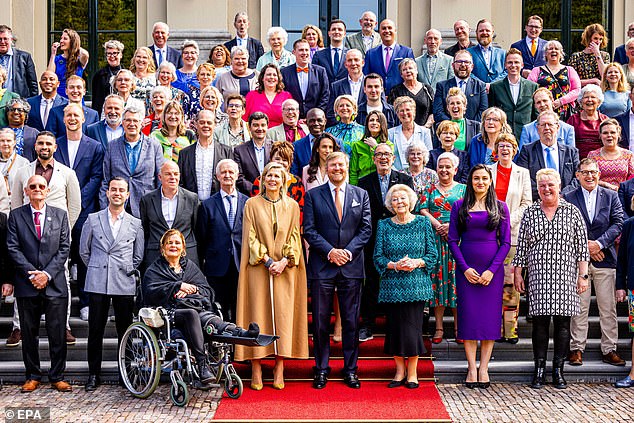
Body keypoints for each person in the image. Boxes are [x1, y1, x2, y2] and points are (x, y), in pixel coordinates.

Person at [143, 228, 260, 387]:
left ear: (183, 248)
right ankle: (202, 365)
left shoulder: (189, 267)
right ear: (162, 247)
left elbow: (207, 291)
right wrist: (177, 287)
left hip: (195, 308)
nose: (173, 246)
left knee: (213, 321)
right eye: (169, 243)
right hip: (170, 313)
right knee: (191, 314)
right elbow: (150, 292)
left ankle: (244, 333)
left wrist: (193, 290)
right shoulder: (155, 269)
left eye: (177, 243)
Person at [513, 168, 590, 390]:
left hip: (566, 275)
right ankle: (538, 370)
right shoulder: (530, 212)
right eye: (542, 185)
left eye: (550, 185)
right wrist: (518, 272)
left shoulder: (572, 212)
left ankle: (558, 370)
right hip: (538, 276)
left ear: (559, 186)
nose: (546, 189)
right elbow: (523, 246)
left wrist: (583, 276)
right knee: (539, 324)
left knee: (563, 324)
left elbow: (581, 248)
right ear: (537, 188)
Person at [235, 161, 307, 390]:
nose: (273, 179)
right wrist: (267, 261)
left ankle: (279, 367)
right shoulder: (252, 204)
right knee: (257, 315)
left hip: (286, 269)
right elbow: (250, 237)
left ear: (284, 180)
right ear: (263, 180)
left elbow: (295, 236)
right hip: (258, 267)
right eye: (269, 175)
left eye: (277, 176)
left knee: (284, 318)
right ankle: (256, 366)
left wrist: (285, 261)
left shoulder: (292, 206)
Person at [304, 151, 372, 389]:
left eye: (341, 165)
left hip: (351, 267)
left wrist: (348, 252)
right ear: (327, 167)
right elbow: (309, 230)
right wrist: (331, 252)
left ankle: (351, 370)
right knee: (321, 322)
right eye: (333, 165)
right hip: (322, 266)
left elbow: (365, 229)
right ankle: (321, 369)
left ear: (347, 166)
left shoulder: (360, 195)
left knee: (351, 322)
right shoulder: (313, 195)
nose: (337, 169)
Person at [6, 175, 72, 392]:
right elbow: (12, 247)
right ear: (26, 190)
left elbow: (64, 248)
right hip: (27, 284)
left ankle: (57, 376)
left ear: (47, 190)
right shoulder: (16, 216)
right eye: (32, 186)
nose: (37, 189)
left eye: (41, 186)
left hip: (54, 284)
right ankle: (32, 375)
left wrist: (47, 274)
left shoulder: (60, 215)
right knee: (28, 333)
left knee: (57, 333)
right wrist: (32, 274)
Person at [448, 164, 511, 388]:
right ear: (470, 181)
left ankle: (483, 368)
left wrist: (491, 271)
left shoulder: (501, 207)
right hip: (467, 269)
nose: (480, 182)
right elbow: (453, 240)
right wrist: (464, 268)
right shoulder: (459, 206)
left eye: (484, 178)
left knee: (488, 321)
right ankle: (471, 367)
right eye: (476, 179)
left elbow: (505, 243)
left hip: (491, 271)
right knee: (469, 319)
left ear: (490, 181)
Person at [80, 177, 144, 392]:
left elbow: (138, 256)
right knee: (95, 331)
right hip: (97, 281)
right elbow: (84, 251)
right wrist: (99, 267)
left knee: (124, 331)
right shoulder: (93, 219)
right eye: (113, 189)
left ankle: (124, 373)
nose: (117, 193)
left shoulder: (135, 223)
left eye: (121, 190)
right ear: (107, 193)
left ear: (127, 195)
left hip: (123, 281)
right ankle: (93, 374)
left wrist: (122, 268)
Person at [562, 158, 625, 368]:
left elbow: (618, 223)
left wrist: (599, 244)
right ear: (577, 175)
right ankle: (576, 349)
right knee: (579, 306)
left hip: (605, 259)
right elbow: (566, 226)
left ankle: (609, 349)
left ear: (599, 174)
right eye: (585, 172)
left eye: (593, 172)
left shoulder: (610, 196)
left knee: (608, 307)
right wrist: (587, 250)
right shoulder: (568, 197)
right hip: (578, 260)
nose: (590, 176)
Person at [374, 184, 437, 389]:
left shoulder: (422, 223)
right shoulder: (384, 225)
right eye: (395, 199)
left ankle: (413, 373)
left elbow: (432, 255)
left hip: (417, 286)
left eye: (403, 198)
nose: (399, 202)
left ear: (410, 201)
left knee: (412, 330)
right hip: (392, 286)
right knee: (394, 330)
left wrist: (416, 262)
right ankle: (399, 371)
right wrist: (395, 265)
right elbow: (378, 257)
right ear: (390, 204)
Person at [357, 143, 414, 342]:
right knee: (371, 281)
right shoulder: (364, 182)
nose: (383, 158)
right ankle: (367, 324)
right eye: (379, 154)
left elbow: (410, 209)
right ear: (374, 159)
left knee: (395, 280)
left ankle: (394, 324)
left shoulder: (405, 180)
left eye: (387, 154)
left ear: (393, 158)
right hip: (371, 238)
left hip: (397, 237)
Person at [54, 103, 105, 321]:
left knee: (84, 257)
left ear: (84, 118)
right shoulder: (56, 144)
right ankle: (54, 304)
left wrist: (77, 200)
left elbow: (96, 177)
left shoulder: (94, 147)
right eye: (68, 115)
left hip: (85, 209)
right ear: (64, 119)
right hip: (57, 209)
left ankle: (85, 303)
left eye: (76, 115)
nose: (72, 118)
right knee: (56, 255)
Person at [418, 152, 466, 344]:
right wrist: (437, 224)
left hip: (458, 241)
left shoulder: (463, 189)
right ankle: (438, 328)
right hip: (435, 240)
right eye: (441, 166)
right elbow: (422, 209)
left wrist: (452, 226)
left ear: (455, 169)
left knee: (457, 283)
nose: (444, 170)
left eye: (448, 167)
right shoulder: (429, 189)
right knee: (437, 283)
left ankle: (458, 327)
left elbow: (468, 211)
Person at [489, 134, 532, 344]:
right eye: (501, 146)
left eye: (509, 146)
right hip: (488, 236)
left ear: (515, 150)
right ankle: (493, 328)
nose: (505, 149)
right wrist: (493, 222)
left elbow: (526, 203)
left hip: (513, 235)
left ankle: (510, 330)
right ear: (496, 149)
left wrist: (506, 221)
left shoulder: (522, 173)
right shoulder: (487, 172)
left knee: (511, 285)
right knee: (491, 284)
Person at [197, 159, 247, 322]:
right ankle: (221, 347)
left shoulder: (248, 203)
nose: (227, 175)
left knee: (240, 309)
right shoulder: (207, 205)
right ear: (217, 176)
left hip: (241, 266)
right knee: (219, 310)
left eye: (231, 172)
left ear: (237, 175)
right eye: (223, 172)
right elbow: (202, 239)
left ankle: (238, 347)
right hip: (217, 268)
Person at [99, 105, 164, 218]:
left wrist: (158, 209)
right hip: (118, 207)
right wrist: (105, 208)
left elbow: (160, 180)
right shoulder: (112, 146)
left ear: (141, 123)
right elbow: (105, 180)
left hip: (146, 207)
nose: (132, 124)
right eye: (128, 120)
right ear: (122, 123)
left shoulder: (154, 146)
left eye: (135, 120)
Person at [139, 160, 199, 268]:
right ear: (160, 177)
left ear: (180, 176)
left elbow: (197, 229)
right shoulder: (147, 200)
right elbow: (145, 230)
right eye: (168, 174)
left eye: (175, 174)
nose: (172, 177)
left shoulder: (192, 198)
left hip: (186, 256)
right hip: (155, 256)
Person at [516, 111, 580, 200]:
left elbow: (578, 177)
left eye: (550, 124)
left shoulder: (571, 152)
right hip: (537, 201)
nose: (547, 128)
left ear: (557, 127)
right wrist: (544, 194)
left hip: (566, 201)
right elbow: (523, 177)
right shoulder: (527, 151)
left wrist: (562, 195)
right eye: (543, 125)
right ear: (537, 128)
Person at [178, 109, 233, 200]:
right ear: (196, 124)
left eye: (209, 123)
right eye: (202, 122)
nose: (206, 125)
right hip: (191, 206)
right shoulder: (184, 154)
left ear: (215, 125)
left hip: (217, 206)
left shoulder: (226, 152)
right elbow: (181, 182)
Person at [488, 48, 539, 137]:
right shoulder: (495, 87)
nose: (513, 65)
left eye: (516, 62)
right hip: (503, 136)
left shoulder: (532, 86)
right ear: (505, 65)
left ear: (522, 65)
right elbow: (492, 112)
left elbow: (535, 115)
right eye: (510, 62)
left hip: (526, 136)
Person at [527, 40, 582, 121]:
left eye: (556, 49)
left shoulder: (569, 70)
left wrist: (561, 101)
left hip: (565, 112)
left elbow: (577, 90)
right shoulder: (536, 70)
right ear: (545, 53)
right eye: (550, 49)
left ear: (561, 53)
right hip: (543, 111)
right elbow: (529, 89)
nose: (553, 51)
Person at [250, 142, 305, 218]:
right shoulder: (260, 181)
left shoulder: (297, 182)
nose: (281, 162)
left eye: (285, 160)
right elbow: (254, 208)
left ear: (290, 162)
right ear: (271, 159)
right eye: (277, 159)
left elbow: (301, 210)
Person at [433, 50, 488, 123]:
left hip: (473, 131)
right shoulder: (442, 86)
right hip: (449, 131)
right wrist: (454, 125)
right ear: (453, 65)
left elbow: (483, 111)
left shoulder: (480, 86)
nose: (462, 65)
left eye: (466, 62)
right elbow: (438, 112)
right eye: (459, 62)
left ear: (472, 66)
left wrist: (469, 126)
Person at [280, 39, 329, 119]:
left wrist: (315, 114)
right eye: (301, 50)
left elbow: (325, 95)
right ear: (294, 52)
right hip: (293, 118)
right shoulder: (284, 72)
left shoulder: (320, 71)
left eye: (306, 50)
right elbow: (282, 96)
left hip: (315, 119)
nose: (304, 53)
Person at [363, 19, 414, 95]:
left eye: (389, 28)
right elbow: (366, 77)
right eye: (383, 28)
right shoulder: (371, 54)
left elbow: (412, 77)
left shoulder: (406, 52)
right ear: (379, 32)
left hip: (401, 97)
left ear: (395, 31)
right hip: (378, 98)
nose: (387, 31)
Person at [615, 194, 634, 388]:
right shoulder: (629, 225)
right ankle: (633, 373)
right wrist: (620, 285)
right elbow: (622, 259)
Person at [587, 118, 634, 191]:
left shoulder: (628, 155)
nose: (609, 135)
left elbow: (632, 178)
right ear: (600, 135)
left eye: (612, 132)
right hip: (600, 194)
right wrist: (606, 185)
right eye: (605, 133)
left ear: (618, 134)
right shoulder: (593, 155)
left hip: (623, 196)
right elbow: (589, 178)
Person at [389, 96, 433, 170]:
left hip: (419, 174)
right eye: (401, 111)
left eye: (408, 110)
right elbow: (389, 158)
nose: (405, 113)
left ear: (414, 112)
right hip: (397, 175)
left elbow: (428, 157)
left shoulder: (425, 132)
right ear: (397, 114)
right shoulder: (390, 133)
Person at [350, 111, 393, 185]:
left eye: (378, 121)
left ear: (382, 124)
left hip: (380, 184)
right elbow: (353, 172)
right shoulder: (357, 145)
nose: (374, 123)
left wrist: (376, 147)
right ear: (367, 124)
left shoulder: (389, 145)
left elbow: (387, 166)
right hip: (362, 184)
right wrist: (353, 190)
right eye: (371, 120)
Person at [388, 59, 434, 128]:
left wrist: (425, 127)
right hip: (403, 132)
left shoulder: (427, 89)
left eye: (410, 68)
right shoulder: (395, 91)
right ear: (401, 74)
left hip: (425, 131)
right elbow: (391, 114)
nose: (408, 71)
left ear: (416, 71)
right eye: (404, 70)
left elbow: (434, 111)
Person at [234, 111, 272, 194]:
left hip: (273, 194)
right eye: (255, 125)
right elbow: (239, 177)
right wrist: (256, 190)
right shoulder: (239, 150)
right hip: (249, 196)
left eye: (263, 125)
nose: (260, 129)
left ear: (267, 127)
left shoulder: (275, 147)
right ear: (249, 128)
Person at [567, 84, 608, 158]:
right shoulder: (573, 120)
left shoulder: (605, 120)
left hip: (601, 159)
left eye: (593, 97)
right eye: (586, 97)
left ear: (598, 101)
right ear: (581, 101)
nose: (589, 100)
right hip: (578, 160)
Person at [244, 63, 292, 128]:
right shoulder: (251, 96)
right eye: (268, 74)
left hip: (280, 136)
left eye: (274, 75)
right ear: (262, 78)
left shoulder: (286, 96)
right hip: (257, 134)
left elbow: (291, 118)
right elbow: (244, 120)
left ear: (278, 79)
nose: (271, 77)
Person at [47, 28, 89, 98]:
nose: (61, 41)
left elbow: (85, 54)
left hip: (76, 98)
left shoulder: (79, 59)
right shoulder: (57, 59)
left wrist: (75, 46)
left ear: (72, 41)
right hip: (59, 99)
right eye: (61, 38)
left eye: (65, 39)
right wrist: (53, 54)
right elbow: (49, 75)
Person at [291, 108, 333, 176]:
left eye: (319, 120)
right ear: (306, 122)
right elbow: (294, 174)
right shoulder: (296, 146)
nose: (316, 123)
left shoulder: (336, 143)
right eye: (312, 121)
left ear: (325, 121)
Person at [330, 49, 367, 123]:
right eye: (350, 60)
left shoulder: (373, 84)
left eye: (356, 60)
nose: (353, 63)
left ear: (362, 62)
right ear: (345, 64)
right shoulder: (336, 86)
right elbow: (330, 112)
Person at [0, 25, 38, 98]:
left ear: (11, 40)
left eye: (5, 39)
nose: (2, 42)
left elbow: (33, 84)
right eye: (0, 39)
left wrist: (32, 103)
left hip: (18, 102)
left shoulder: (24, 57)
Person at [467, 20, 507, 88]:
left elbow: (507, 72)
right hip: (476, 92)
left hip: (498, 92)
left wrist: (492, 85)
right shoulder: (468, 53)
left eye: (487, 30)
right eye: (481, 30)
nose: (484, 33)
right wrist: (483, 85)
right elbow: (467, 72)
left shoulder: (503, 53)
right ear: (476, 33)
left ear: (492, 33)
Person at [415, 29, 455, 96]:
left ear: (441, 41)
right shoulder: (417, 62)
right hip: (423, 100)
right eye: (430, 38)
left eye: (436, 39)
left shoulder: (449, 60)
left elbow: (451, 83)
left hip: (442, 99)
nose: (432, 42)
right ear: (425, 41)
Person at [569, 23, 610, 87]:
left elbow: (604, 76)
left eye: (600, 39)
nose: (598, 41)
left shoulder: (605, 56)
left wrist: (597, 54)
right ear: (588, 39)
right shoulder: (576, 57)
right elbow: (572, 80)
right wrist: (594, 81)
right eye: (595, 38)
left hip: (600, 92)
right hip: (582, 92)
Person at [90, 40, 123, 115]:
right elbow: (96, 101)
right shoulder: (99, 75)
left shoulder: (127, 74)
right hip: (105, 113)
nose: (112, 56)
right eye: (109, 53)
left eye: (115, 53)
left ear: (121, 55)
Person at [312, 19, 348, 85]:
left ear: (344, 33)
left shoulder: (350, 55)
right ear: (329, 33)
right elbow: (314, 78)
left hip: (345, 93)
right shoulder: (319, 55)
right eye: (334, 29)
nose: (337, 32)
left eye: (340, 29)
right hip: (325, 93)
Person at [0, 128, 29, 205]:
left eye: (9, 141)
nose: (5, 143)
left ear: (14, 142)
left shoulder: (23, 163)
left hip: (14, 207)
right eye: (2, 140)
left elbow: (26, 192)